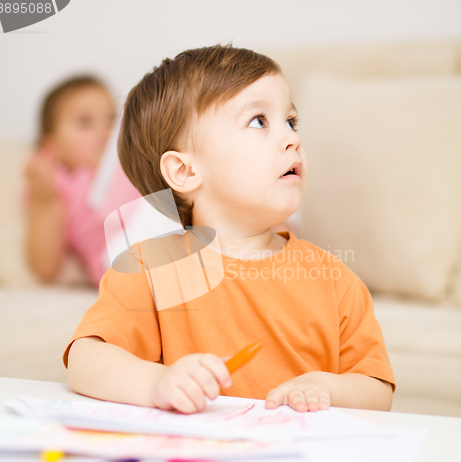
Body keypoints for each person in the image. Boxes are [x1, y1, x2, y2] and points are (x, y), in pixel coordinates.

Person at [64, 43, 396, 414]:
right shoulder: (148, 269)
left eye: (291, 121)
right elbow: (84, 359)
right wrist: (157, 384)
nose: (293, 138)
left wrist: (326, 386)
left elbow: (377, 389)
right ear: (185, 172)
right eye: (259, 121)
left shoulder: (334, 279)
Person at [23, 75, 141, 286]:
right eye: (85, 122)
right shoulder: (58, 184)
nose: (106, 131)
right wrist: (43, 201)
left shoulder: (131, 162)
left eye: (112, 120)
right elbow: (45, 267)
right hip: (120, 262)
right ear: (51, 146)